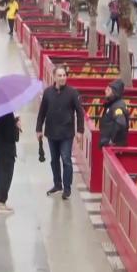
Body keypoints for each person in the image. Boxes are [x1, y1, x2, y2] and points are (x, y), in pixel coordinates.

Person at [35, 66, 84, 200]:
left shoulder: (72, 93)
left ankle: (67, 188)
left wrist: (80, 131)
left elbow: (80, 113)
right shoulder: (48, 93)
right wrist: (38, 129)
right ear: (54, 77)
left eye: (64, 75)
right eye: (60, 75)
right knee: (54, 160)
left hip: (67, 133)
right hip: (51, 132)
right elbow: (42, 113)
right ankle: (57, 184)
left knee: (66, 159)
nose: (62, 78)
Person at [0, 112, 20, 214]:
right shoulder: (8, 115)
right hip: (6, 149)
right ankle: (1, 202)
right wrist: (17, 126)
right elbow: (12, 136)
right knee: (6, 174)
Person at [99, 79, 129, 149]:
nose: (105, 91)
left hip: (114, 147)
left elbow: (121, 123)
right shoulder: (112, 104)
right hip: (108, 144)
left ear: (115, 92)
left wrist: (111, 140)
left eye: (109, 90)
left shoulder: (117, 107)